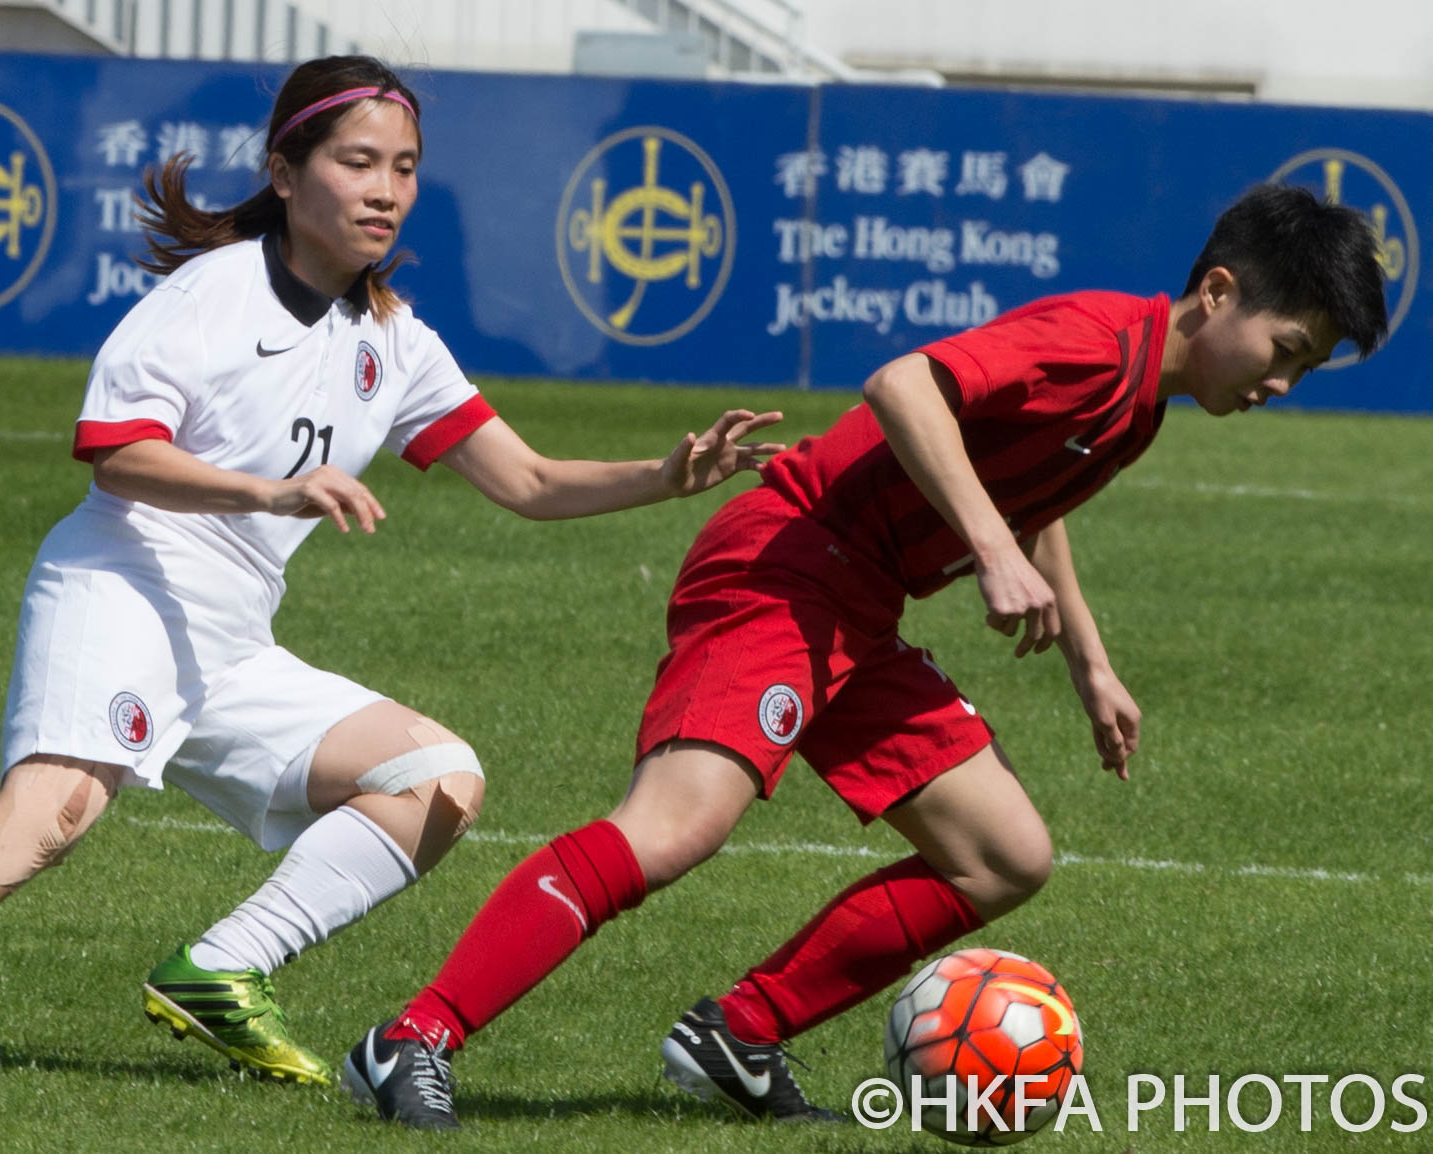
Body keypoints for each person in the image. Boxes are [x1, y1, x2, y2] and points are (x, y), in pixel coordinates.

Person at [0, 55, 783, 1086]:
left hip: (228, 640)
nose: (385, 188)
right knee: (56, 807)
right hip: (122, 583)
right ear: (287, 172)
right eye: (356, 162)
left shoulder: (394, 340)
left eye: (403, 167)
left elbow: (525, 478)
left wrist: (666, 474)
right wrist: (271, 489)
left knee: (438, 779)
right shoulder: (209, 295)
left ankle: (222, 968)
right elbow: (117, 450)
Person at [343, 183, 1390, 1129]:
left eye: (1305, 363)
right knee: (675, 824)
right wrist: (987, 551)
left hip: (858, 603)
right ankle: (411, 1039)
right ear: (1216, 292)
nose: (1285, 381)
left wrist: (1090, 660)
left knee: (1002, 852)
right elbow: (904, 385)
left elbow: (1031, 490)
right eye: (1287, 346)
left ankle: (737, 1033)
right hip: (782, 564)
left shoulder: (1138, 401)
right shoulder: (1092, 340)